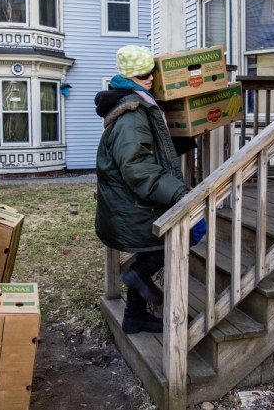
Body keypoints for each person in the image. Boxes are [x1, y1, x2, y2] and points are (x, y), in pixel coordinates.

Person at [94, 45, 194, 335]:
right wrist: (177, 192)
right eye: (141, 75)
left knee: (148, 249)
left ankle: (134, 316)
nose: (149, 78)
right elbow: (137, 166)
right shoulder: (132, 113)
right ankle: (137, 275)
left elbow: (147, 147)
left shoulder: (135, 102)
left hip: (130, 204)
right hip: (134, 205)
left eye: (151, 72)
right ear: (128, 76)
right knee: (185, 234)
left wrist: (186, 140)